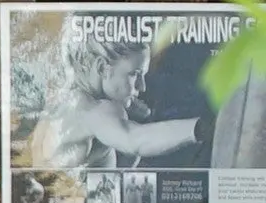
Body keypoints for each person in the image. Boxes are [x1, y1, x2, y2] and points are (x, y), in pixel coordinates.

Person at [26, 32, 200, 174]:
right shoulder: (87, 108)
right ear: (102, 68)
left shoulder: (71, 99)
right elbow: (134, 140)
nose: (142, 86)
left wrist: (130, 119)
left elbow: (115, 177)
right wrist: (200, 128)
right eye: (134, 74)